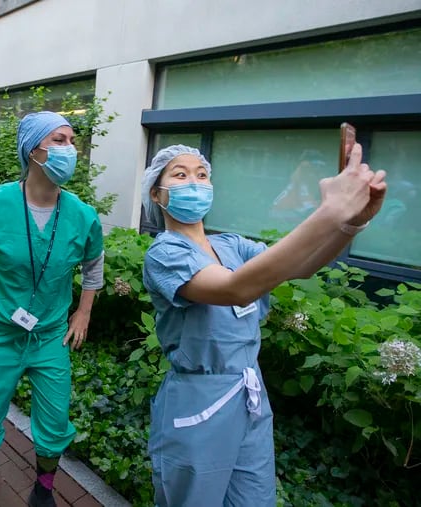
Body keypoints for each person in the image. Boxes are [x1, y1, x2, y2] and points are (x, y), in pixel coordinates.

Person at [141, 144, 386, 506]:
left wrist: (350, 223)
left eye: (202, 174)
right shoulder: (164, 254)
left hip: (249, 397)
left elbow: (300, 265)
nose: (195, 182)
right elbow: (235, 289)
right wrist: (328, 211)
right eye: (180, 175)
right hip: (197, 403)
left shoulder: (231, 245)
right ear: (157, 194)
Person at [0, 111, 104, 507]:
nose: (69, 150)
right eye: (59, 140)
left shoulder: (82, 216)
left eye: (72, 141)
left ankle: (44, 486)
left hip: (49, 335)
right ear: (32, 149)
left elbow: (94, 263)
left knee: (54, 420)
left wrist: (84, 312)